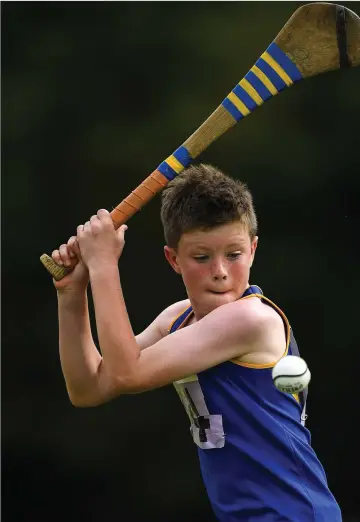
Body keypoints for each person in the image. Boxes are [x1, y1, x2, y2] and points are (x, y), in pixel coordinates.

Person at [52, 163, 342, 521]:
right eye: (202, 257)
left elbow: (126, 373)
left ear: (253, 249)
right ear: (173, 259)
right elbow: (90, 388)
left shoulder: (251, 320)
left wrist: (104, 265)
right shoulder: (178, 319)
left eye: (234, 255)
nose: (220, 271)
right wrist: (72, 295)